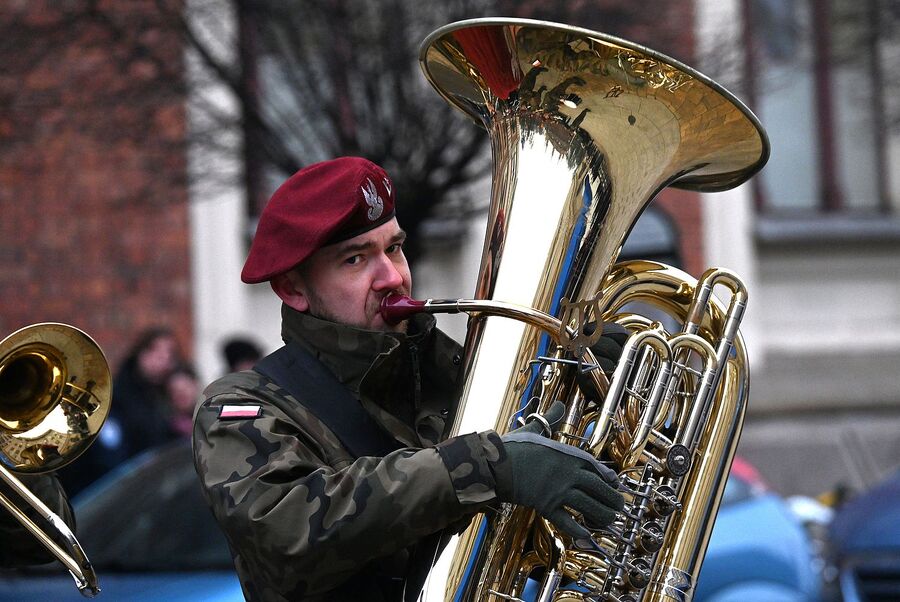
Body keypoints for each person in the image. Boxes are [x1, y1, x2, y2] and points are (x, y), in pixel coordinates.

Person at [192, 157, 625, 601]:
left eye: (394, 248)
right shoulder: (243, 406)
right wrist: (484, 466)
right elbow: (286, 530)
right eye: (356, 259)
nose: (394, 277)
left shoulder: (455, 375)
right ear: (293, 289)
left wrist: (604, 395)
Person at [61, 328, 181, 495]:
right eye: (156, 352)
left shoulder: (161, 398)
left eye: (168, 356)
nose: (162, 361)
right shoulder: (119, 396)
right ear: (141, 353)